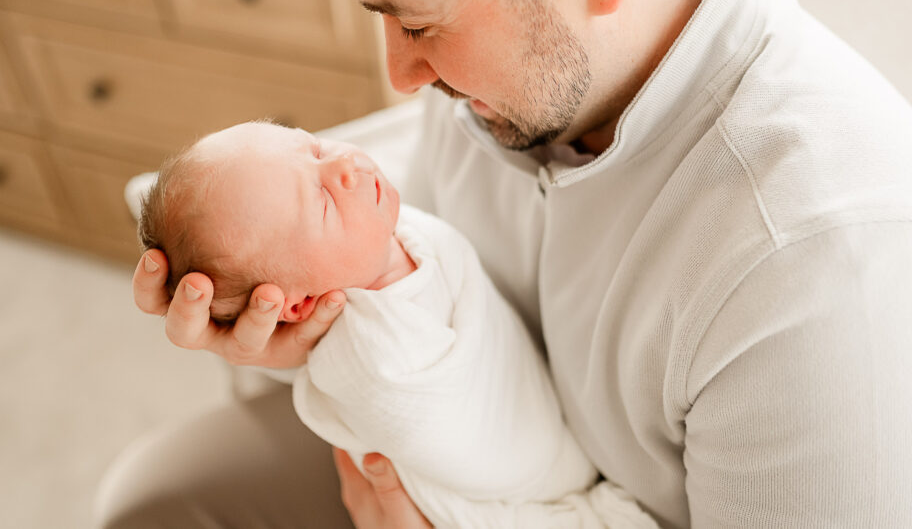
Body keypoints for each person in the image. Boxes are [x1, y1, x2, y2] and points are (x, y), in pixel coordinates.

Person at [104, 0, 912, 527]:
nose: (404, 71)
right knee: (149, 500)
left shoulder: (835, 281)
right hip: (467, 449)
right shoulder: (533, 68)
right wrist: (310, 317)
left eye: (418, 20)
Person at [134, 120, 655, 527]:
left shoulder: (378, 238)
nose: (343, 164)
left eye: (312, 147)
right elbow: (448, 435)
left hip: (547, 414)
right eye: (319, 200)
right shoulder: (374, 359)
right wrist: (301, 358)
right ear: (294, 308)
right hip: (518, 484)